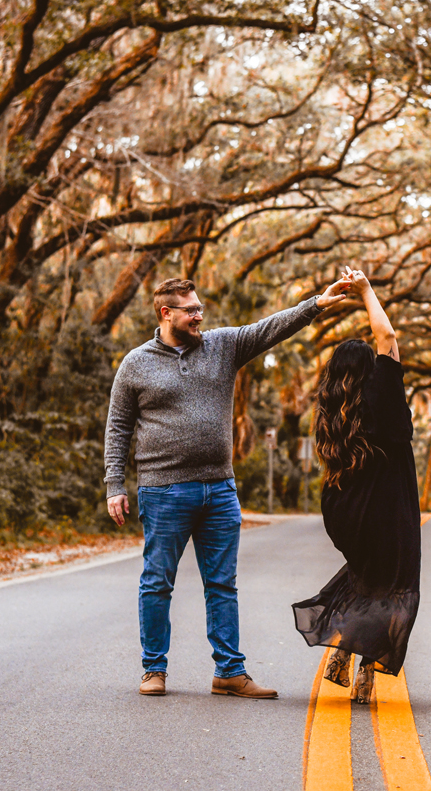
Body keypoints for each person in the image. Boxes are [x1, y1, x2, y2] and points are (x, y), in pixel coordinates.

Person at [105, 276, 349, 698]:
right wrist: (114, 484)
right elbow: (118, 427)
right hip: (163, 489)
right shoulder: (136, 364)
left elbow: (271, 327)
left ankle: (230, 672)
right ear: (166, 313)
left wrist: (317, 304)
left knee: (222, 584)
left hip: (219, 489)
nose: (200, 315)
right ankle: (154, 669)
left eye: (200, 307)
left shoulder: (223, 346)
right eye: (190, 309)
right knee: (157, 581)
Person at [292, 267, 421, 704]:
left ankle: (340, 652)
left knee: (364, 577)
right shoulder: (381, 396)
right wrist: (366, 291)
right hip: (388, 509)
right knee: (393, 588)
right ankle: (366, 668)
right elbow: (387, 339)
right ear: (371, 371)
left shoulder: (333, 411)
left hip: (345, 511)